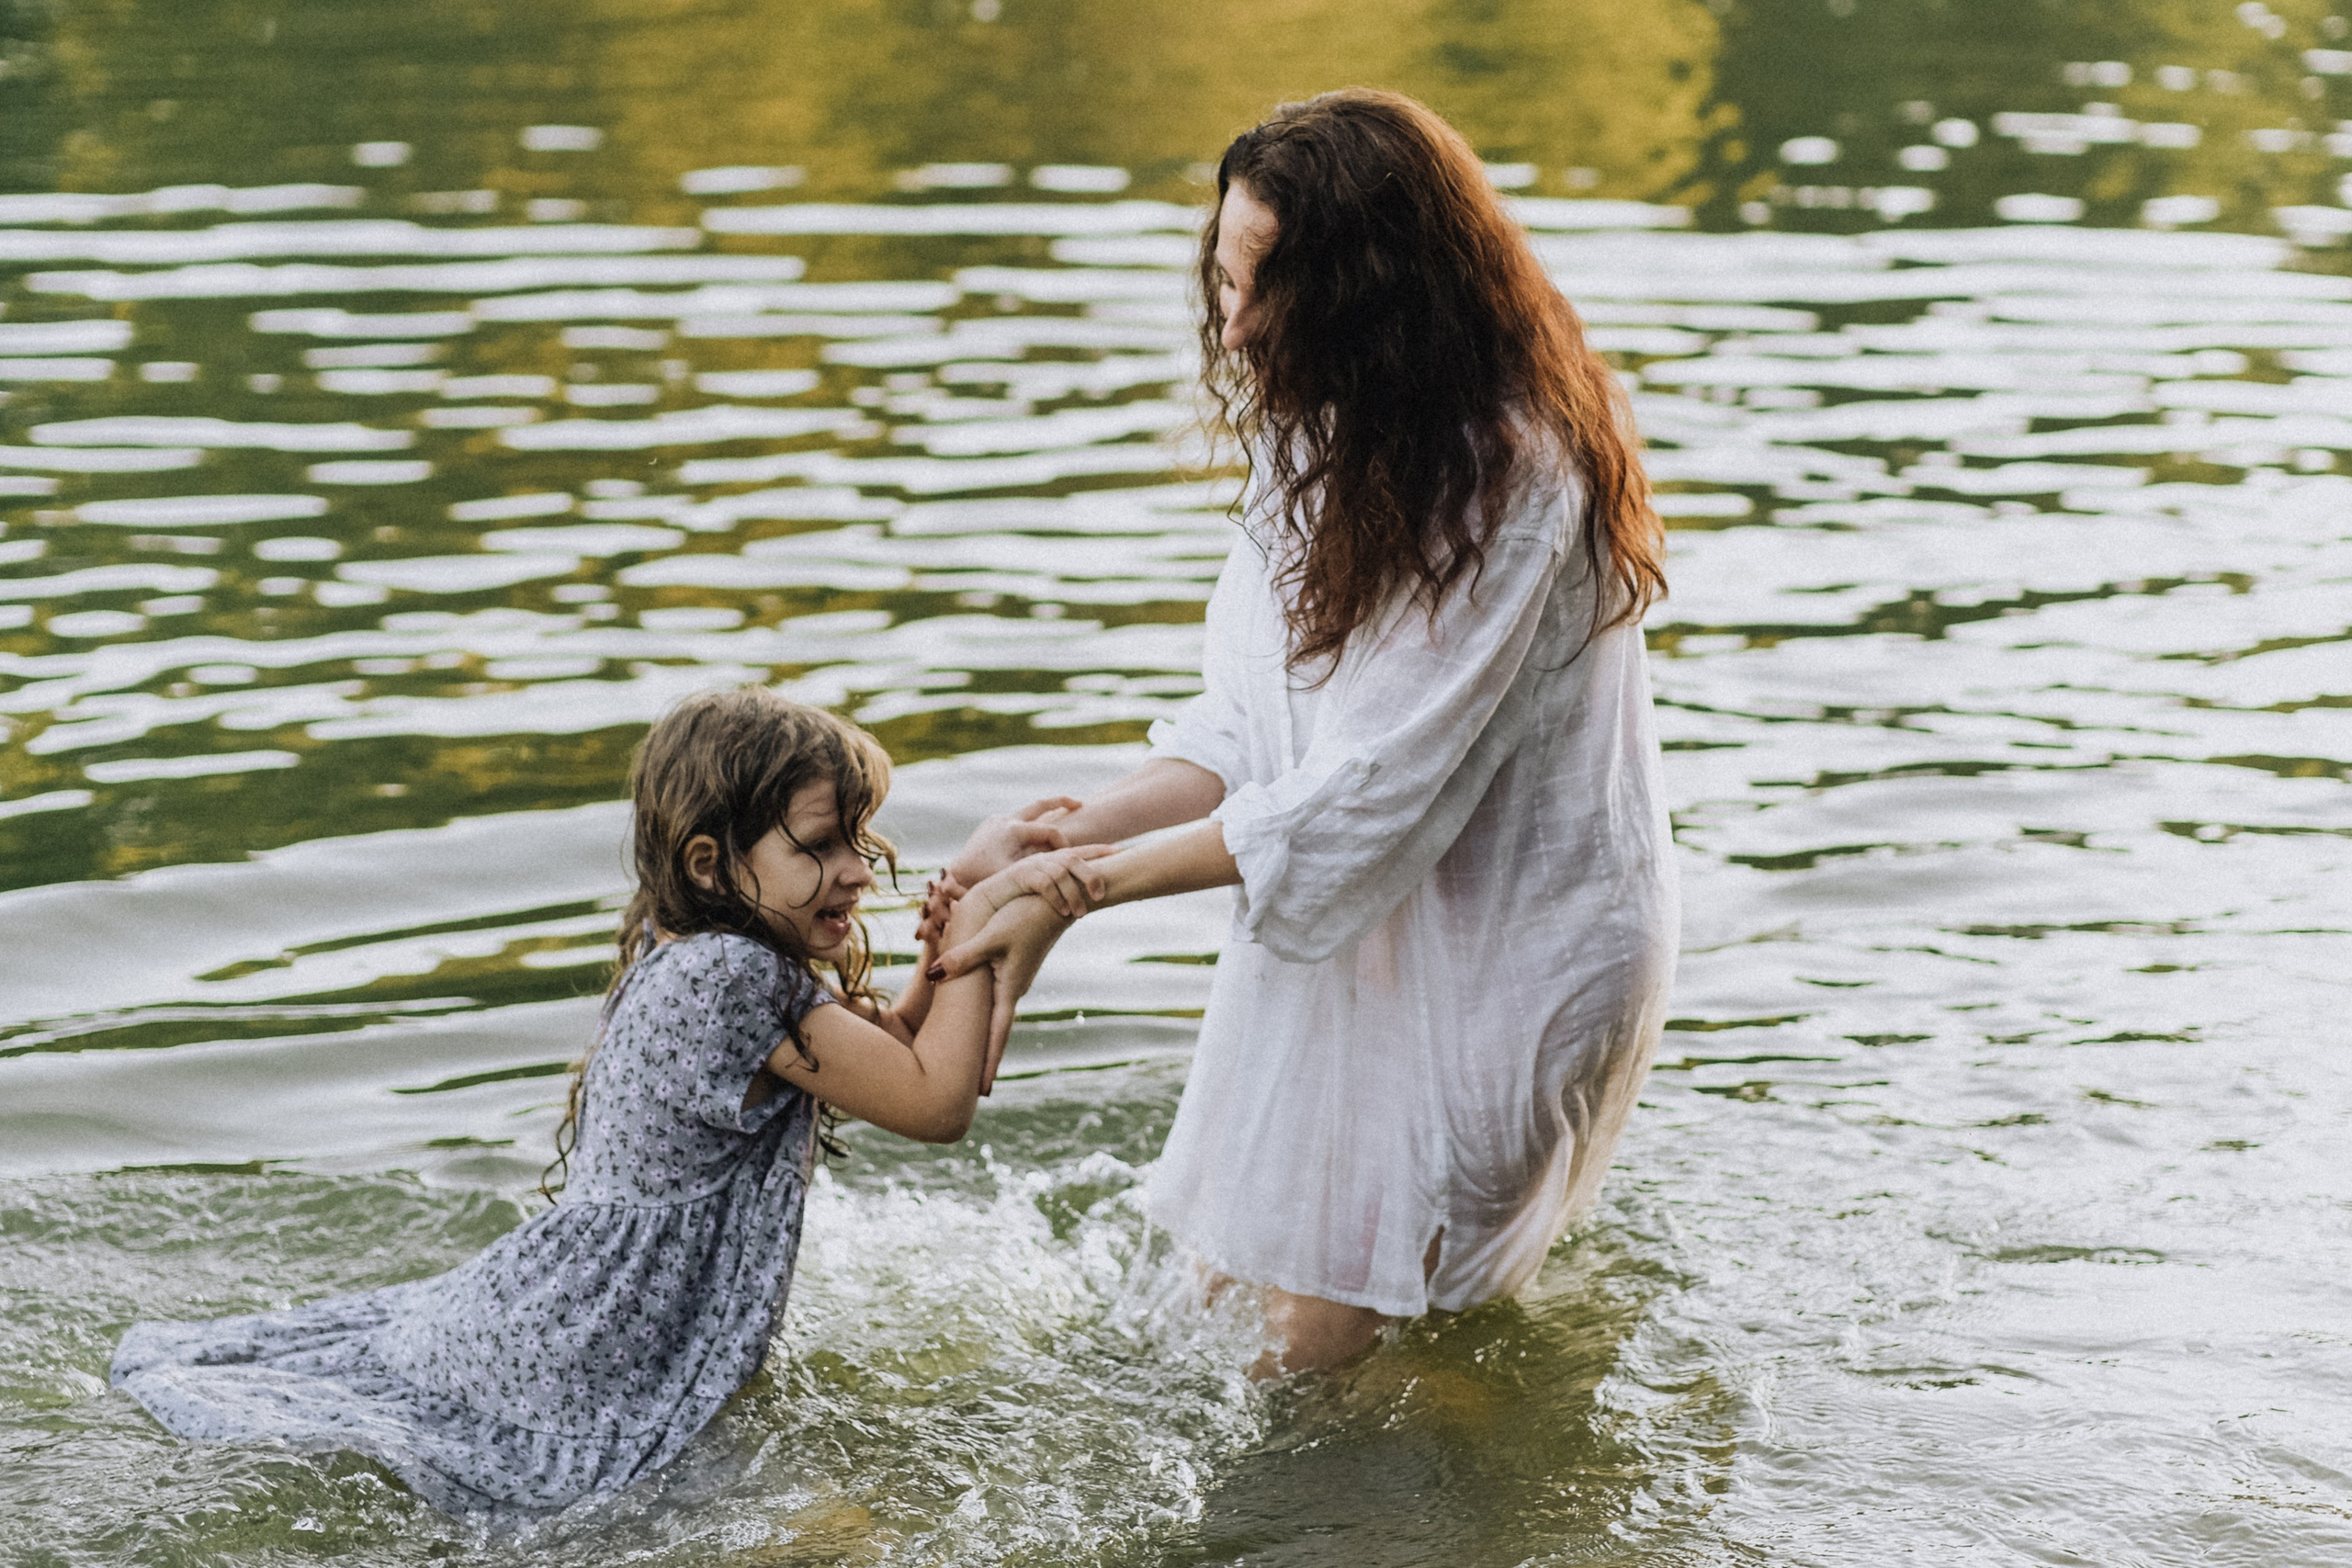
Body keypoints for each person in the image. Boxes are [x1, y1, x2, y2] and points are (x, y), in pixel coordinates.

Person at [934, 88, 1680, 1375]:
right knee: (1233, 1306)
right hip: (1372, 927)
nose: (1228, 324)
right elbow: (1250, 726)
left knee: (1336, 1349)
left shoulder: (1523, 464)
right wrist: (1053, 834)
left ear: (1365, 298)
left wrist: (1078, 888)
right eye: (1219, 279)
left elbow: (1364, 786)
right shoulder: (1326, 426)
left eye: (1257, 290)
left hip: (1516, 948)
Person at [110, 686, 1102, 1517]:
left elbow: (897, 1056)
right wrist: (987, 909)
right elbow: (937, 1104)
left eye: (860, 837)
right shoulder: (735, 982)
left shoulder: (707, 957)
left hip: (567, 1309)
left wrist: (968, 901)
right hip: (591, 1347)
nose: (854, 868)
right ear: (712, 863)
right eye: (820, 844)